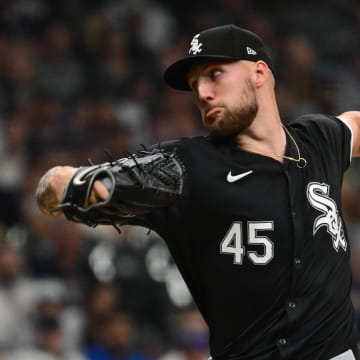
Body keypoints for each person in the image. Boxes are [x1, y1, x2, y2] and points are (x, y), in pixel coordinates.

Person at [35, 24, 360, 360]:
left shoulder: (318, 139)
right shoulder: (187, 167)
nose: (203, 92)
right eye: (195, 85)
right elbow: (54, 184)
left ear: (259, 73)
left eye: (215, 74)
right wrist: (77, 186)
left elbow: (355, 124)